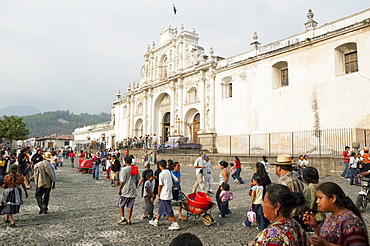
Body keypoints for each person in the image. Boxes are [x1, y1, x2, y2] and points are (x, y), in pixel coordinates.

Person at [303, 182, 369, 246]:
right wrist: (315, 226)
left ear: (333, 198)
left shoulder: (351, 221)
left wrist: (326, 244)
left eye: (320, 198)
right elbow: (327, 237)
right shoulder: (330, 217)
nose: (317, 202)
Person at [271, 154, 305, 221]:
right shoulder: (297, 180)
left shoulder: (283, 182)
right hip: (298, 215)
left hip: (287, 216)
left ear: (279, 168)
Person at [149, 160, 180, 230]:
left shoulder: (161, 174)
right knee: (161, 207)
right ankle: (156, 221)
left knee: (168, 209)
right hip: (169, 192)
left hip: (164, 193)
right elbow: (176, 180)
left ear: (160, 166)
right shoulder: (169, 172)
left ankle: (175, 223)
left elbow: (160, 185)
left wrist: (159, 195)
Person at [116, 156, 140, 225]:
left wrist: (119, 189)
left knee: (121, 204)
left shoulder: (124, 169)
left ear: (125, 162)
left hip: (125, 189)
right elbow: (137, 179)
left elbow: (122, 181)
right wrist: (136, 185)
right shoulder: (135, 168)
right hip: (132, 189)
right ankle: (129, 219)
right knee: (130, 205)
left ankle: (122, 217)